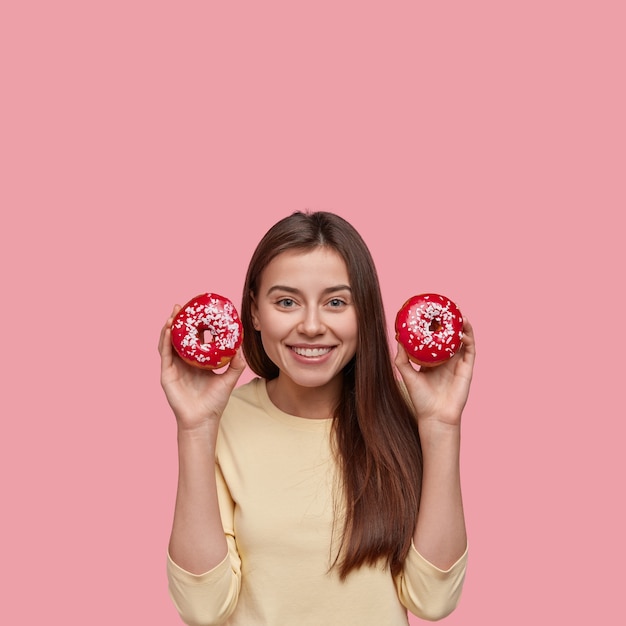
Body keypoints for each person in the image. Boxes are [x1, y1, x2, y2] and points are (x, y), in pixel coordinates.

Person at [158, 211, 476, 626]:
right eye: (286, 302)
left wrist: (441, 427)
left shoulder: (407, 412)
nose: (311, 326)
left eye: (336, 302)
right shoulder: (221, 420)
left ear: (364, 313)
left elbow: (432, 600)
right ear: (254, 313)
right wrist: (196, 429)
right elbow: (202, 608)